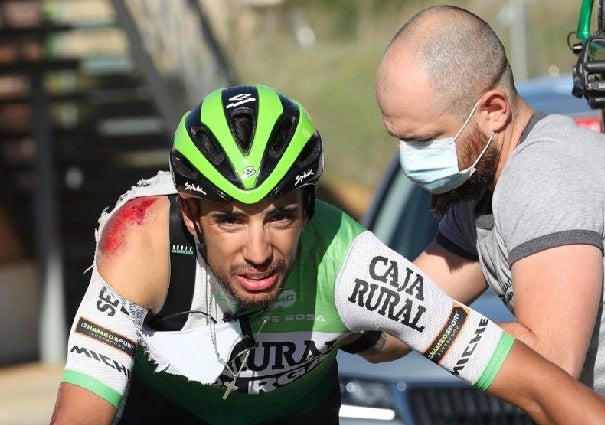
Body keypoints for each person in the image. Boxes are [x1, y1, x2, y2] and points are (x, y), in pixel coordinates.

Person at [49, 84, 605, 425]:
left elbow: (541, 387)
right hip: (169, 414)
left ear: (310, 207)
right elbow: (81, 411)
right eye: (230, 220)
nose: (259, 251)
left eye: (282, 215)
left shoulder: (350, 264)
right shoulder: (141, 241)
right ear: (192, 215)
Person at [375, 3, 605, 397]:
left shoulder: (544, 178)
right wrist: (331, 327)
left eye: (425, 140)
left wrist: (433, 332)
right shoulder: (479, 192)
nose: (412, 159)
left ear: (494, 110)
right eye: (402, 140)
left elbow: (550, 362)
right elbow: (406, 310)